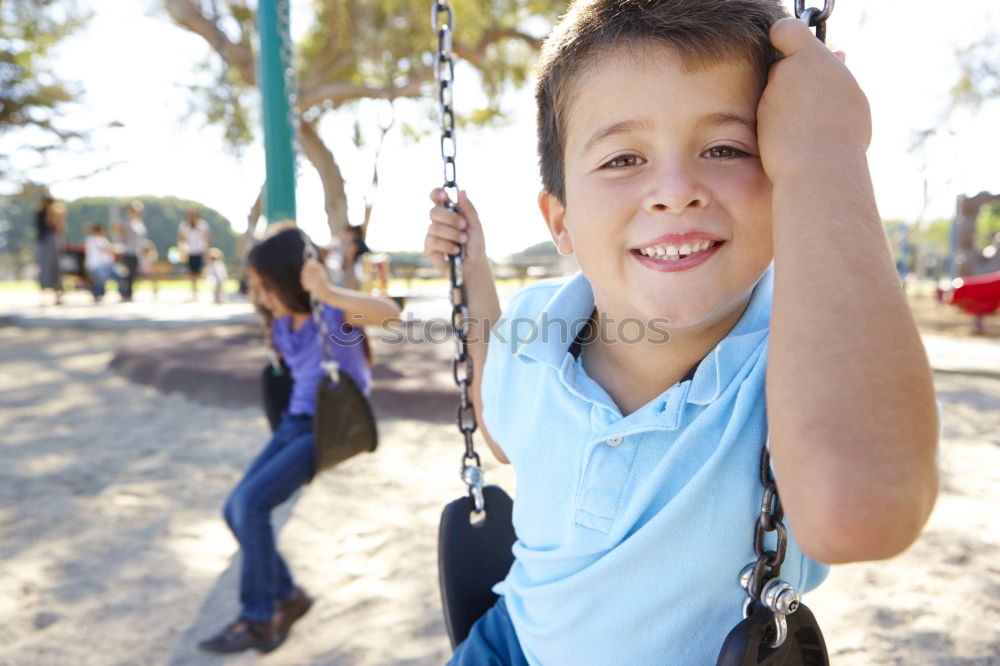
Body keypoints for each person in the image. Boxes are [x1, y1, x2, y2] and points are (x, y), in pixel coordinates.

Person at [424, 1, 940, 664]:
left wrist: (827, 156)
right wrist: (472, 275)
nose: (675, 190)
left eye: (726, 148)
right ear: (561, 221)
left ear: (786, 177)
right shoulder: (535, 321)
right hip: (509, 646)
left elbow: (865, 507)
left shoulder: (805, 361)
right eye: (622, 159)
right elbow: (501, 426)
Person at [198, 224, 401, 654]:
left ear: (290, 279)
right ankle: (289, 596)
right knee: (236, 509)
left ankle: (259, 618)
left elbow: (390, 314)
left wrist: (327, 291)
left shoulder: (332, 315)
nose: (256, 292)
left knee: (252, 504)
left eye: (263, 284)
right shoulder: (282, 321)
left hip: (327, 428)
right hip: (294, 423)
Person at [34, 196, 65, 305]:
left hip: (51, 241)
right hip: (45, 241)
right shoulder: (42, 214)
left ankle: (56, 292)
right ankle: (45, 292)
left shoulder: (54, 214)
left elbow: (59, 228)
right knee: (46, 267)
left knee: (54, 267)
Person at [114, 200, 147, 302]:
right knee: (127, 274)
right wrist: (123, 236)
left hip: (137, 251)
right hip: (128, 251)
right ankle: (125, 294)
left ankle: (129, 293)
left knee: (133, 274)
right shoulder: (126, 221)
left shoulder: (139, 222)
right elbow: (116, 228)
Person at [83, 223, 124, 302]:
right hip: (97, 266)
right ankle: (98, 294)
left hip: (108, 265)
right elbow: (105, 248)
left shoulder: (102, 239)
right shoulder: (93, 239)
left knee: (119, 275)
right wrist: (117, 248)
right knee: (102, 278)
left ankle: (123, 293)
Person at [178, 208, 211, 301]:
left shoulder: (203, 225)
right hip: (189, 252)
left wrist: (206, 252)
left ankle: (196, 292)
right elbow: (181, 240)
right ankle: (193, 292)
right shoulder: (184, 226)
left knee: (197, 273)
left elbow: (207, 238)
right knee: (190, 272)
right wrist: (182, 251)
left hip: (199, 252)